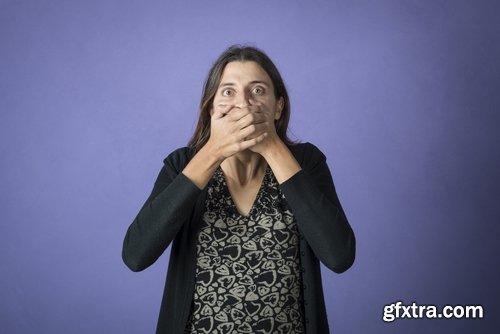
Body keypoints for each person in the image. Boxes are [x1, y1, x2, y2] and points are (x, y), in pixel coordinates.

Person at [122, 45, 356, 334]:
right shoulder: (181, 165)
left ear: (278, 106)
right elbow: (135, 256)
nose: (243, 103)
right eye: (228, 92)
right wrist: (213, 152)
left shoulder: (306, 162)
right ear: (211, 108)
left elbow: (340, 256)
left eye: (257, 90)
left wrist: (272, 147)